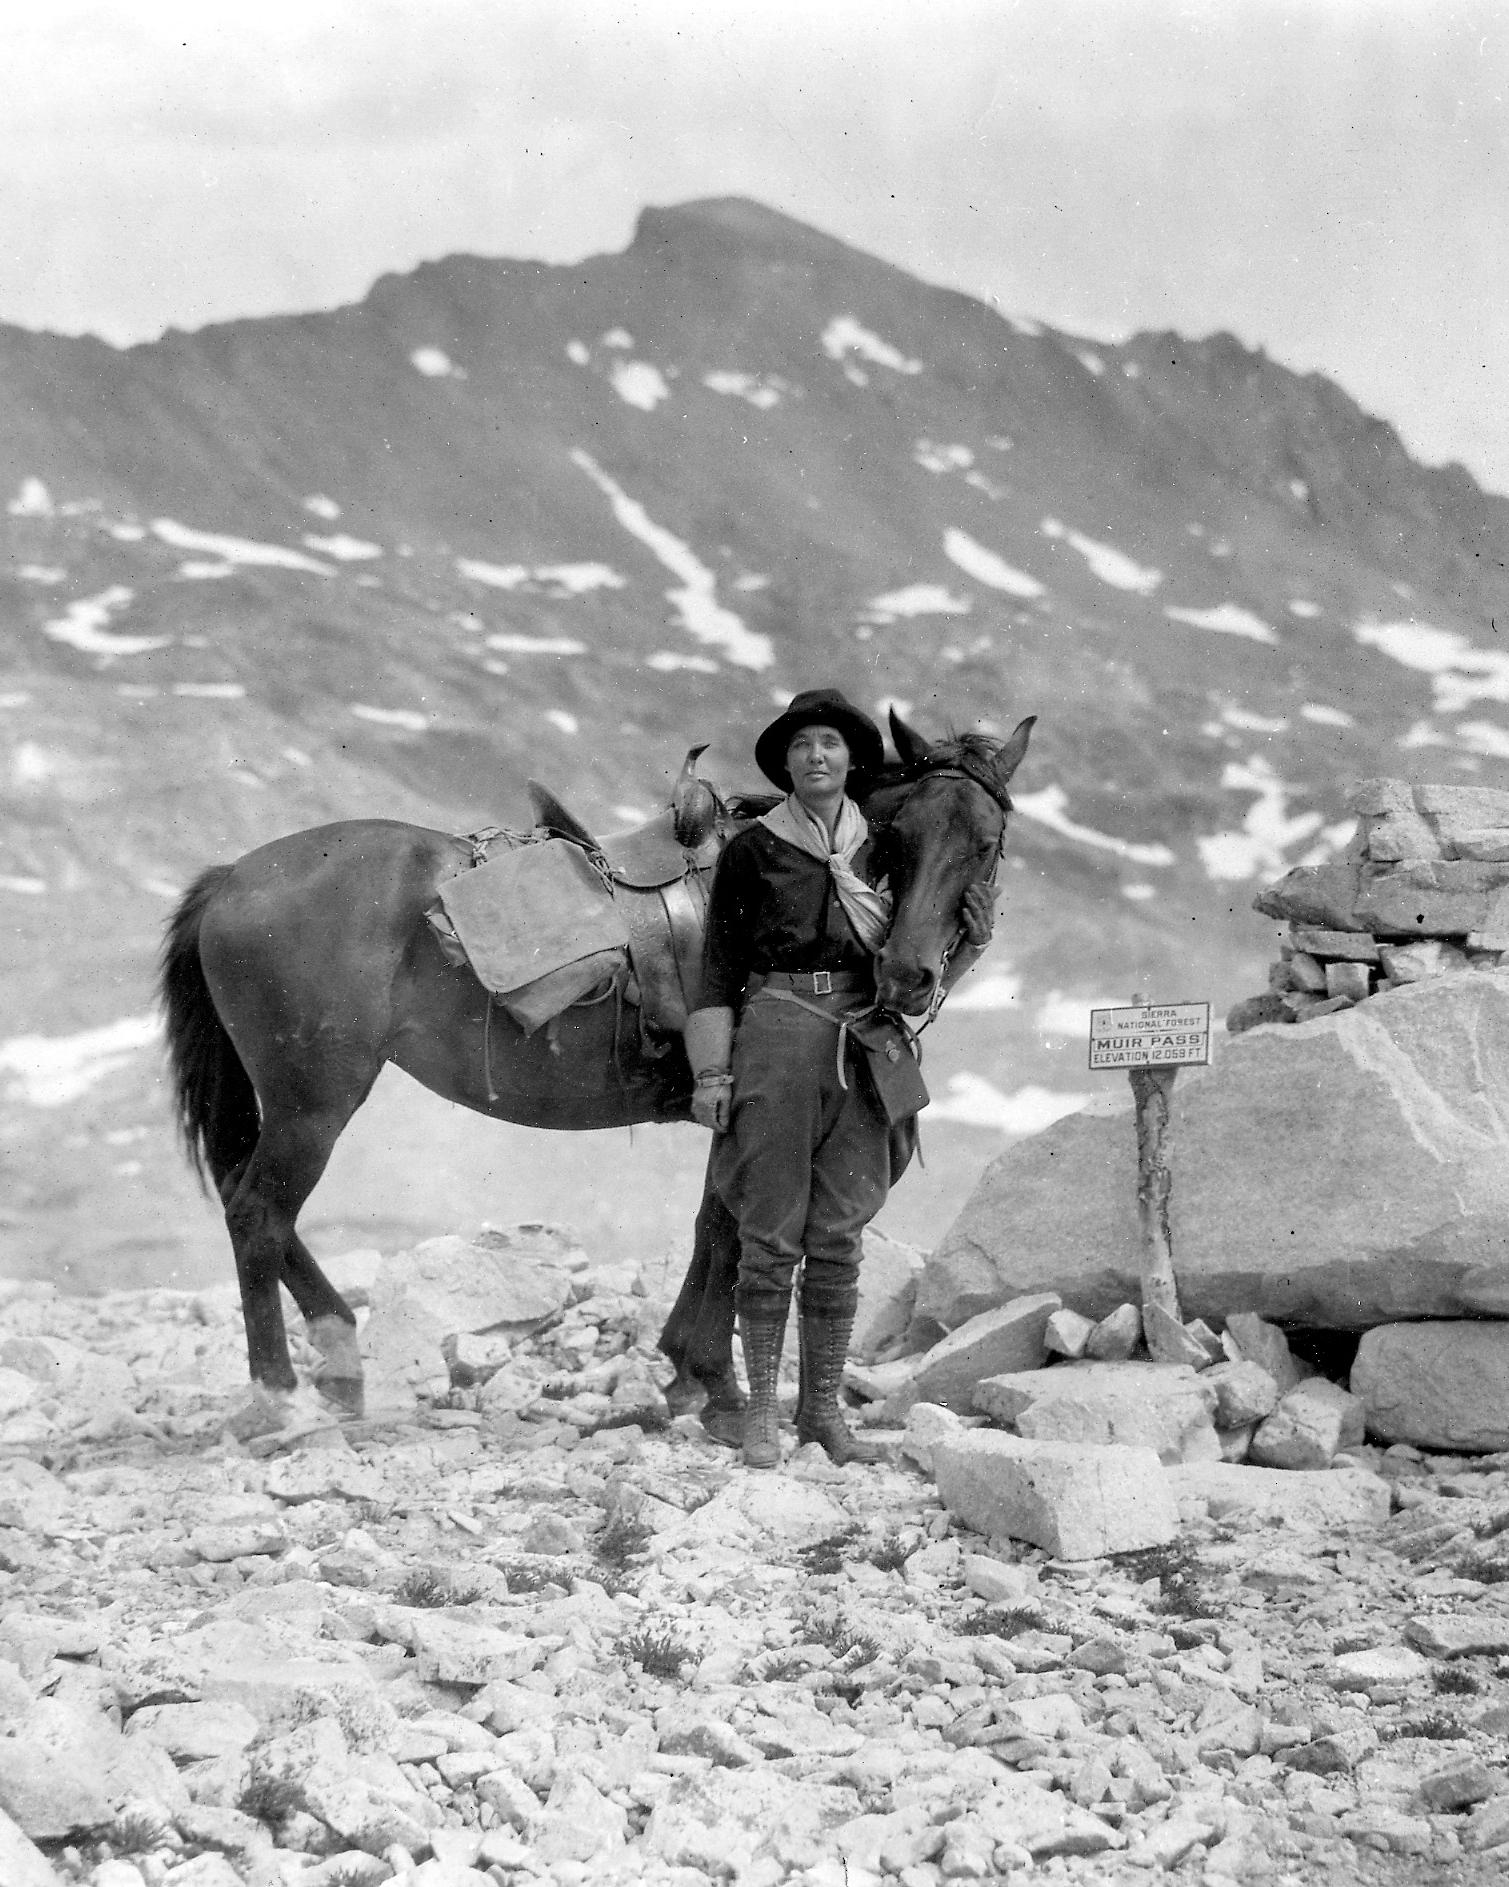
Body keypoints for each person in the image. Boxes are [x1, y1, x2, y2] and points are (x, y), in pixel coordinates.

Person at [683, 688, 994, 1469]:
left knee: (838, 1235)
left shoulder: (883, 845)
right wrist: (712, 1072)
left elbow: (919, 945)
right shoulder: (753, 850)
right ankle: (758, 1414)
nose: (816, 757)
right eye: (801, 746)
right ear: (785, 763)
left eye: (828, 744)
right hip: (779, 1032)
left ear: (850, 760)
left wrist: (971, 947)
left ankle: (820, 1413)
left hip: (865, 1035)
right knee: (768, 1230)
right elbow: (718, 969)